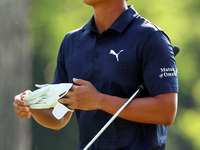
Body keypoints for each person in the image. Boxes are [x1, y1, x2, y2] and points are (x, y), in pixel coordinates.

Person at [13, 0, 178, 149]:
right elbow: (59, 117)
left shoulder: (151, 38)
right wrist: (32, 106)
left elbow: (167, 111)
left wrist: (99, 100)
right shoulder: (72, 42)